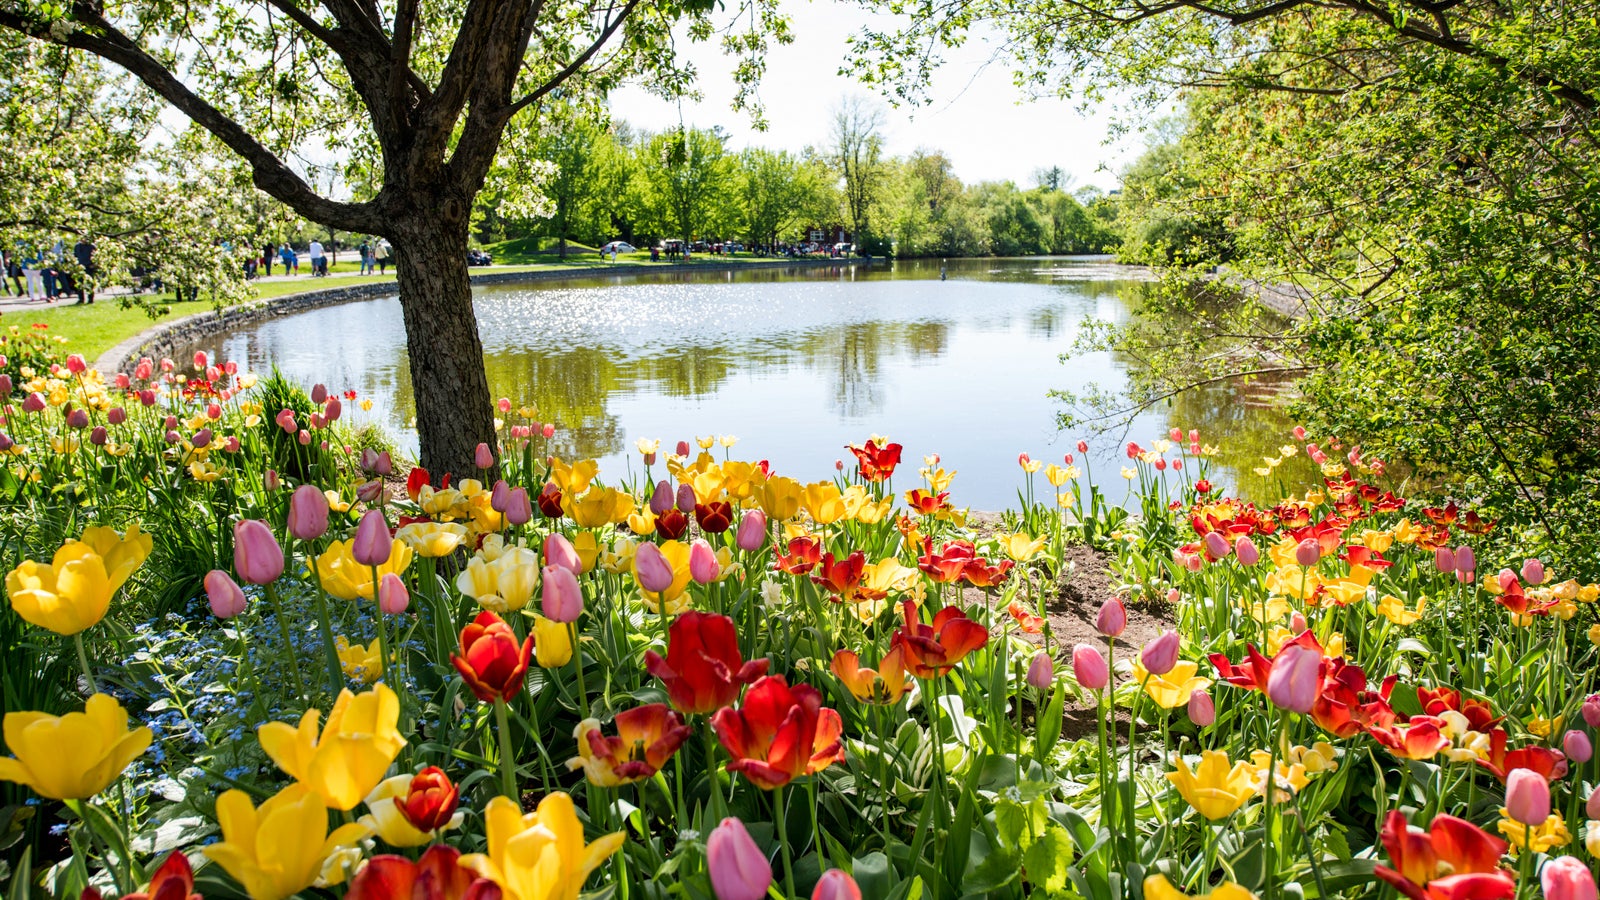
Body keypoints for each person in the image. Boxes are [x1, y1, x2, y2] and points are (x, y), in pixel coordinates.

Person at [74, 238, 97, 304]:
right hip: (80, 267)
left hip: (89, 266)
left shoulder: (92, 246)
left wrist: (94, 265)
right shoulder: (77, 246)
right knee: (80, 283)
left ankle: (90, 299)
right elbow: (75, 255)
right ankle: (81, 299)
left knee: (90, 283)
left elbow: (96, 256)